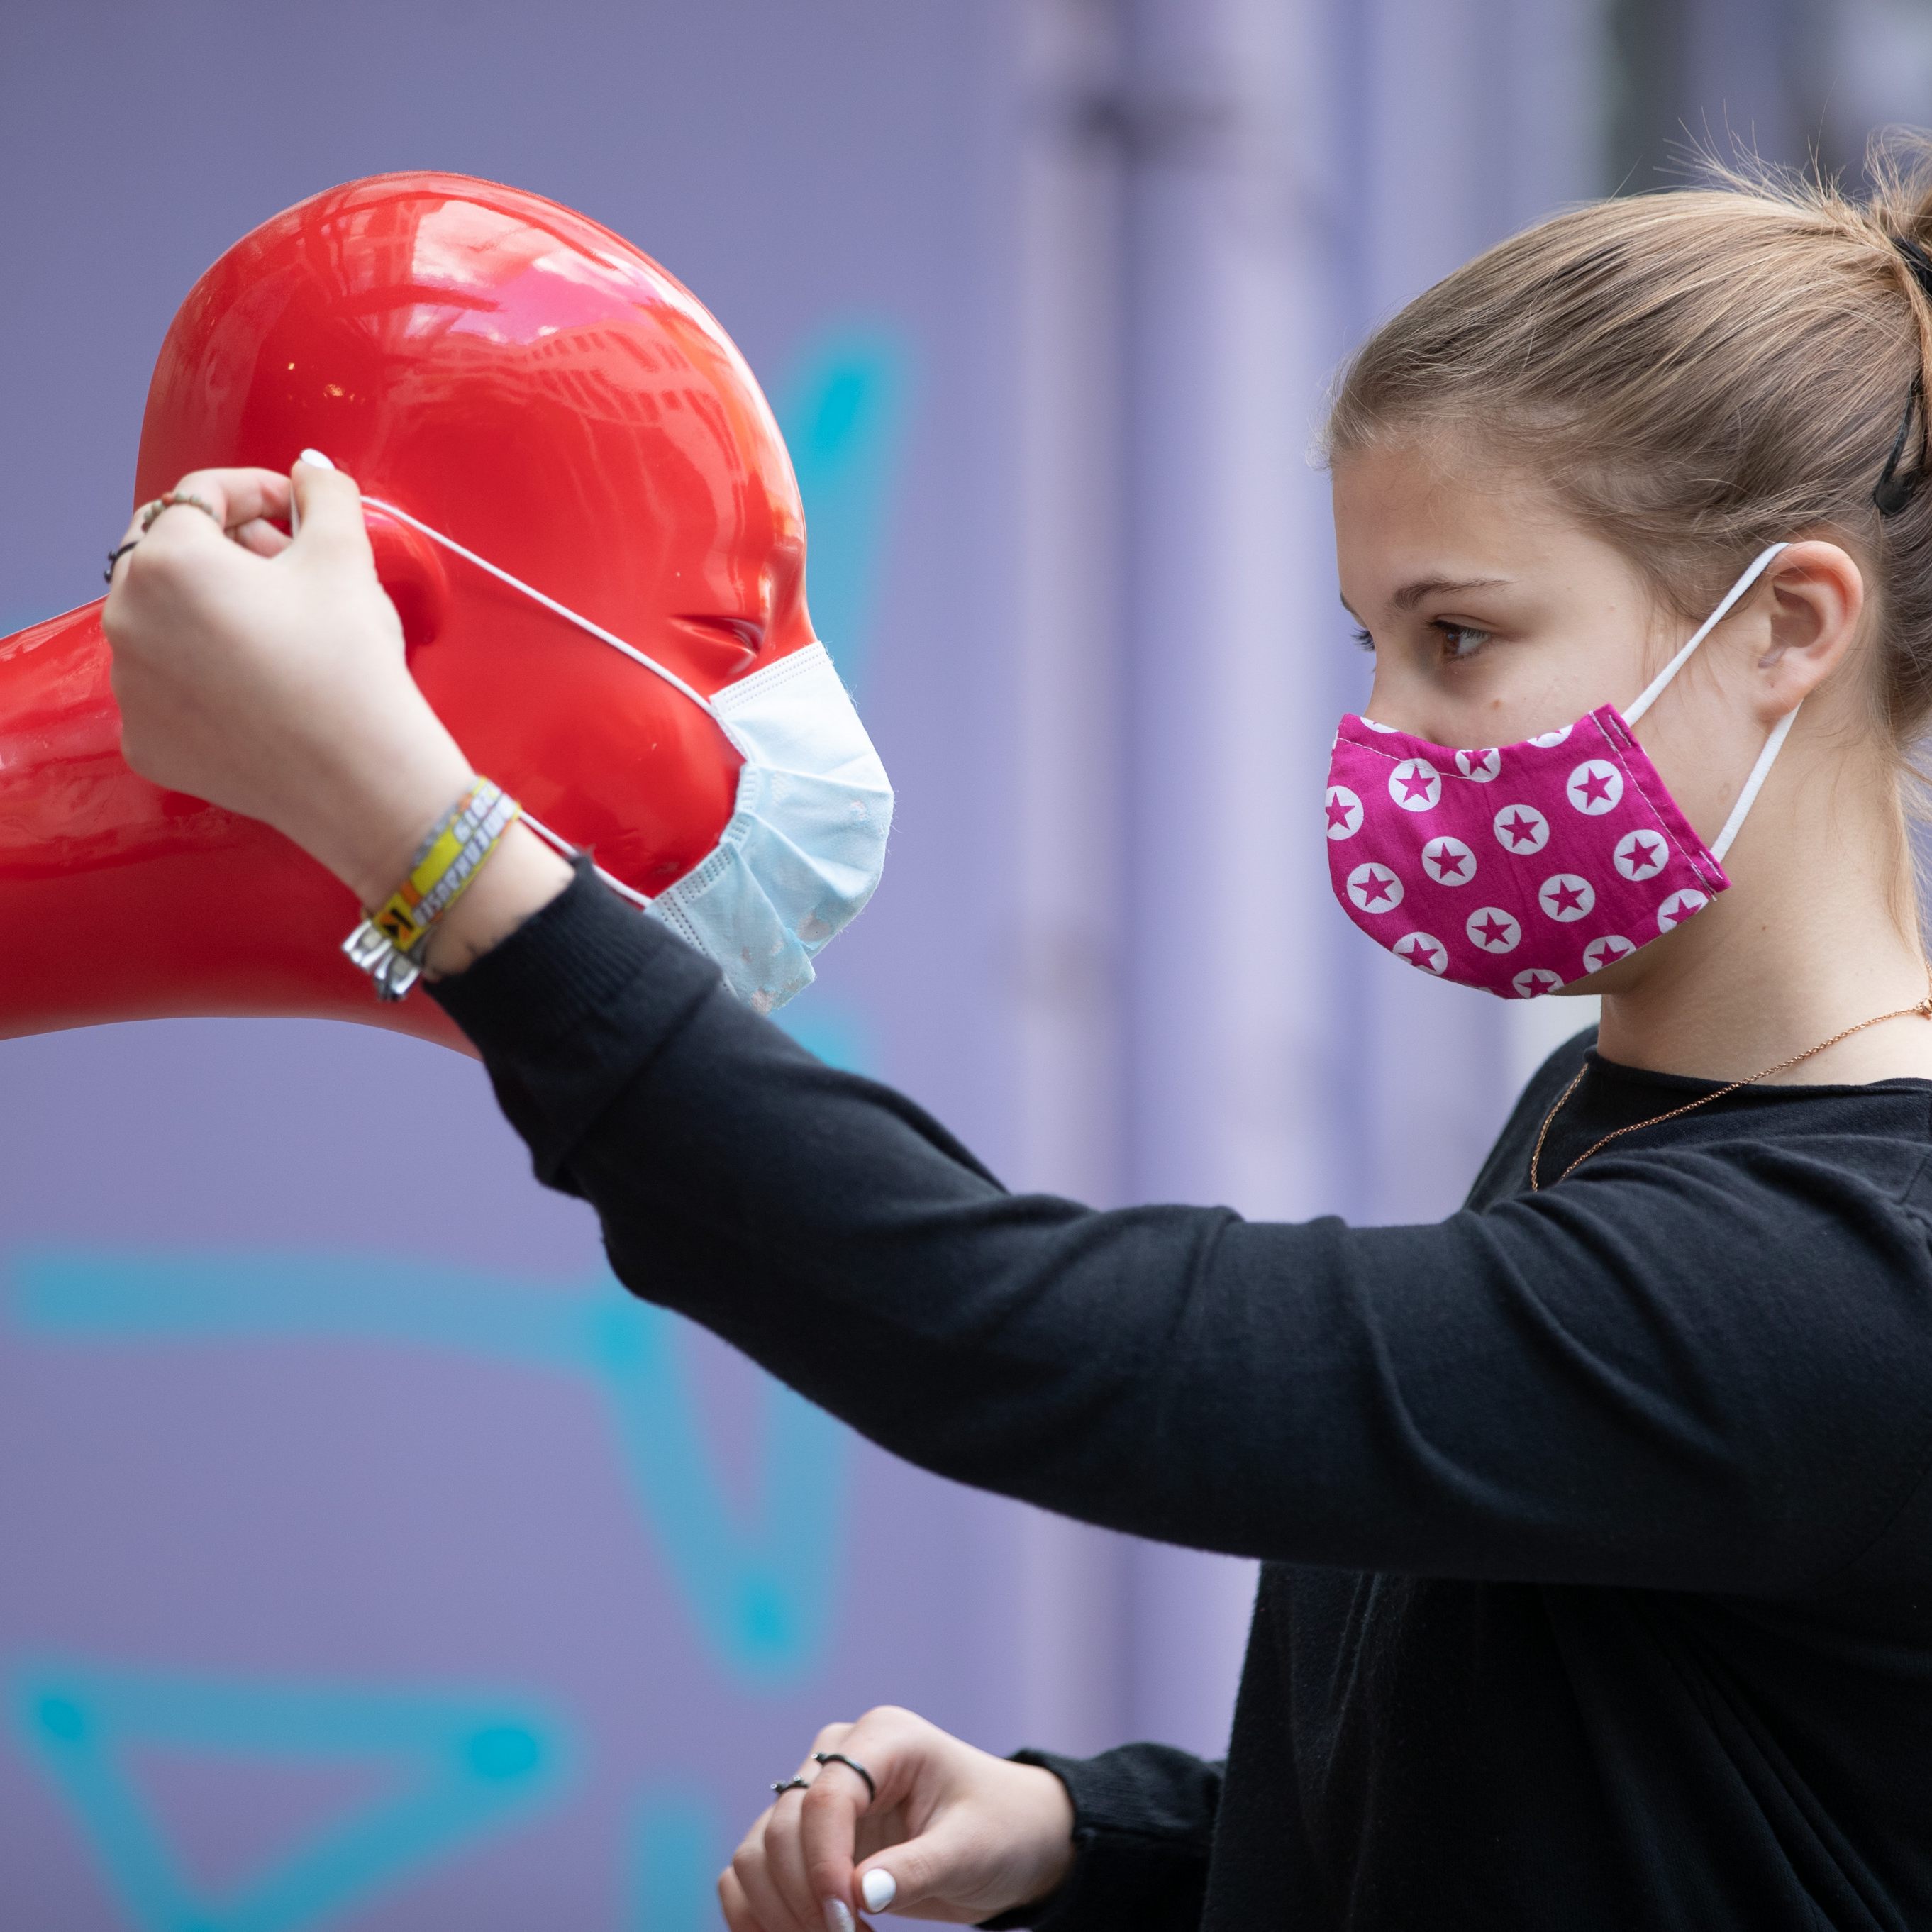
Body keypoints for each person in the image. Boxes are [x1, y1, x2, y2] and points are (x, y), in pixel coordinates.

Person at [99, 146, 1932, 1932]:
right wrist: (1093, 1832)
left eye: (1458, 636)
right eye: (1367, 638)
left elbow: (1039, 1335)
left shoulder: (1855, 1278)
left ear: (1785, 624)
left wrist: (413, 824)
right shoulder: (1616, 1111)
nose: (1381, 727)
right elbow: (1554, 1784)